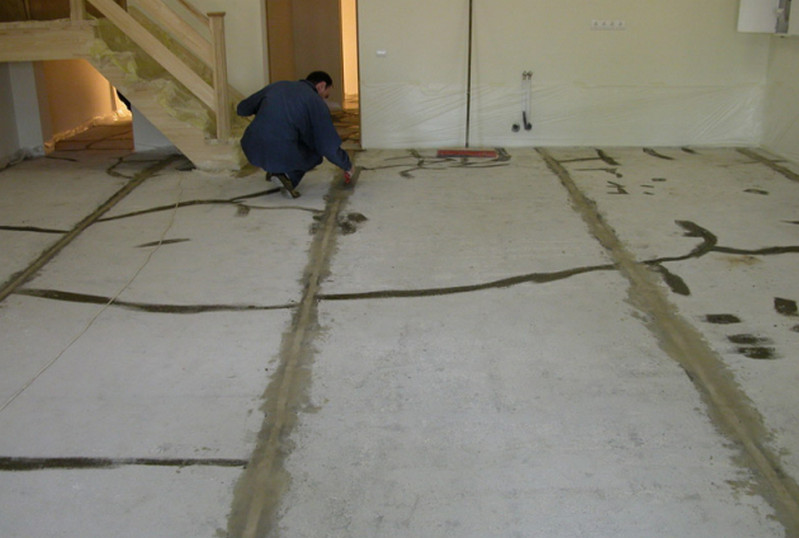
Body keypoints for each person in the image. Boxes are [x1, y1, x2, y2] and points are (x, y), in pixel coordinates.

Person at [237, 71, 353, 198]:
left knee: (283, 138)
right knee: (315, 151)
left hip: (251, 146)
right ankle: (287, 176)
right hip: (279, 151)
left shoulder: (277, 86)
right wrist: (346, 165)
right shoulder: (315, 102)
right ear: (321, 86)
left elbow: (242, 109)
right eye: (326, 96)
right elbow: (328, 146)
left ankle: (275, 168)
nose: (324, 99)